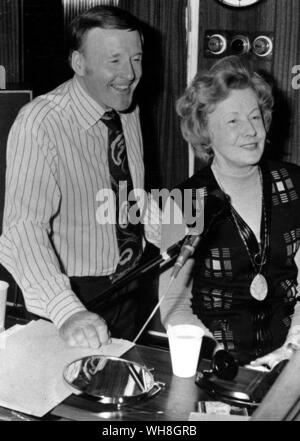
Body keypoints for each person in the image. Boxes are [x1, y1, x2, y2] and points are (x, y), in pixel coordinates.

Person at [0, 5, 160, 349]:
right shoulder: (40, 122)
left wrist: (181, 227)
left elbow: (129, 200)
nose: (129, 73)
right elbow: (22, 229)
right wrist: (66, 310)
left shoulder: (126, 109)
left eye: (136, 59)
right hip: (70, 295)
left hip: (130, 282)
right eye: (114, 61)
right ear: (79, 63)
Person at [159, 55, 300, 368]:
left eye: (255, 117)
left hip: (290, 360)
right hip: (218, 365)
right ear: (205, 131)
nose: (250, 130)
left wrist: (291, 350)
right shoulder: (183, 202)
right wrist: (219, 359)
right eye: (233, 121)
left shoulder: (294, 183)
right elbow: (173, 304)